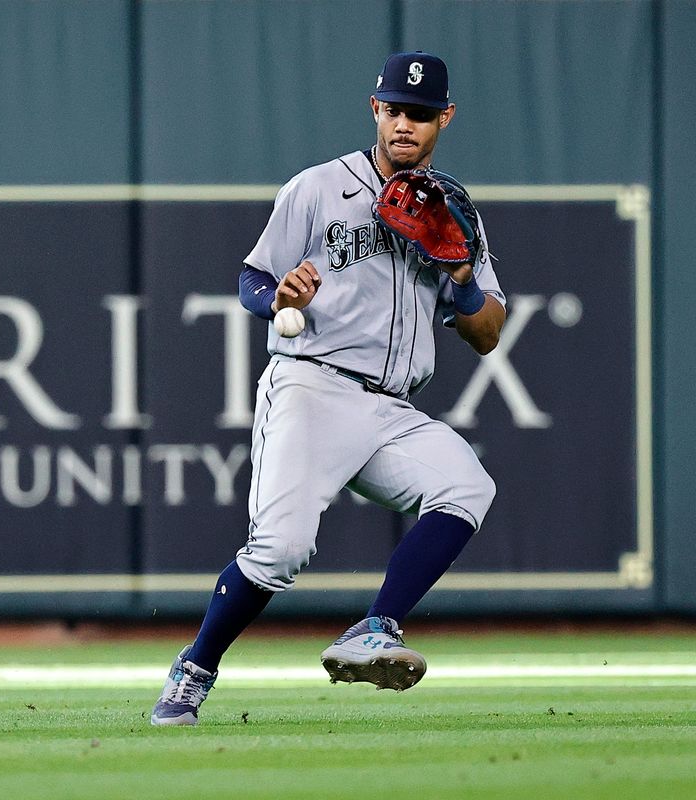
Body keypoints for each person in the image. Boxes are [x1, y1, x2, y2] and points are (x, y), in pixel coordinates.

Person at [151, 51, 505, 725]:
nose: (406, 124)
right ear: (376, 110)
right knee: (281, 550)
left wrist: (461, 275)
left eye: (421, 114)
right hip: (314, 383)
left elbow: (486, 333)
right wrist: (279, 294)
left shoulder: (458, 211)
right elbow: (253, 279)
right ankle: (194, 670)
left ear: (445, 119)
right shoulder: (316, 189)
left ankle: (376, 630)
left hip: (391, 406)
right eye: (395, 109)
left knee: (466, 484)